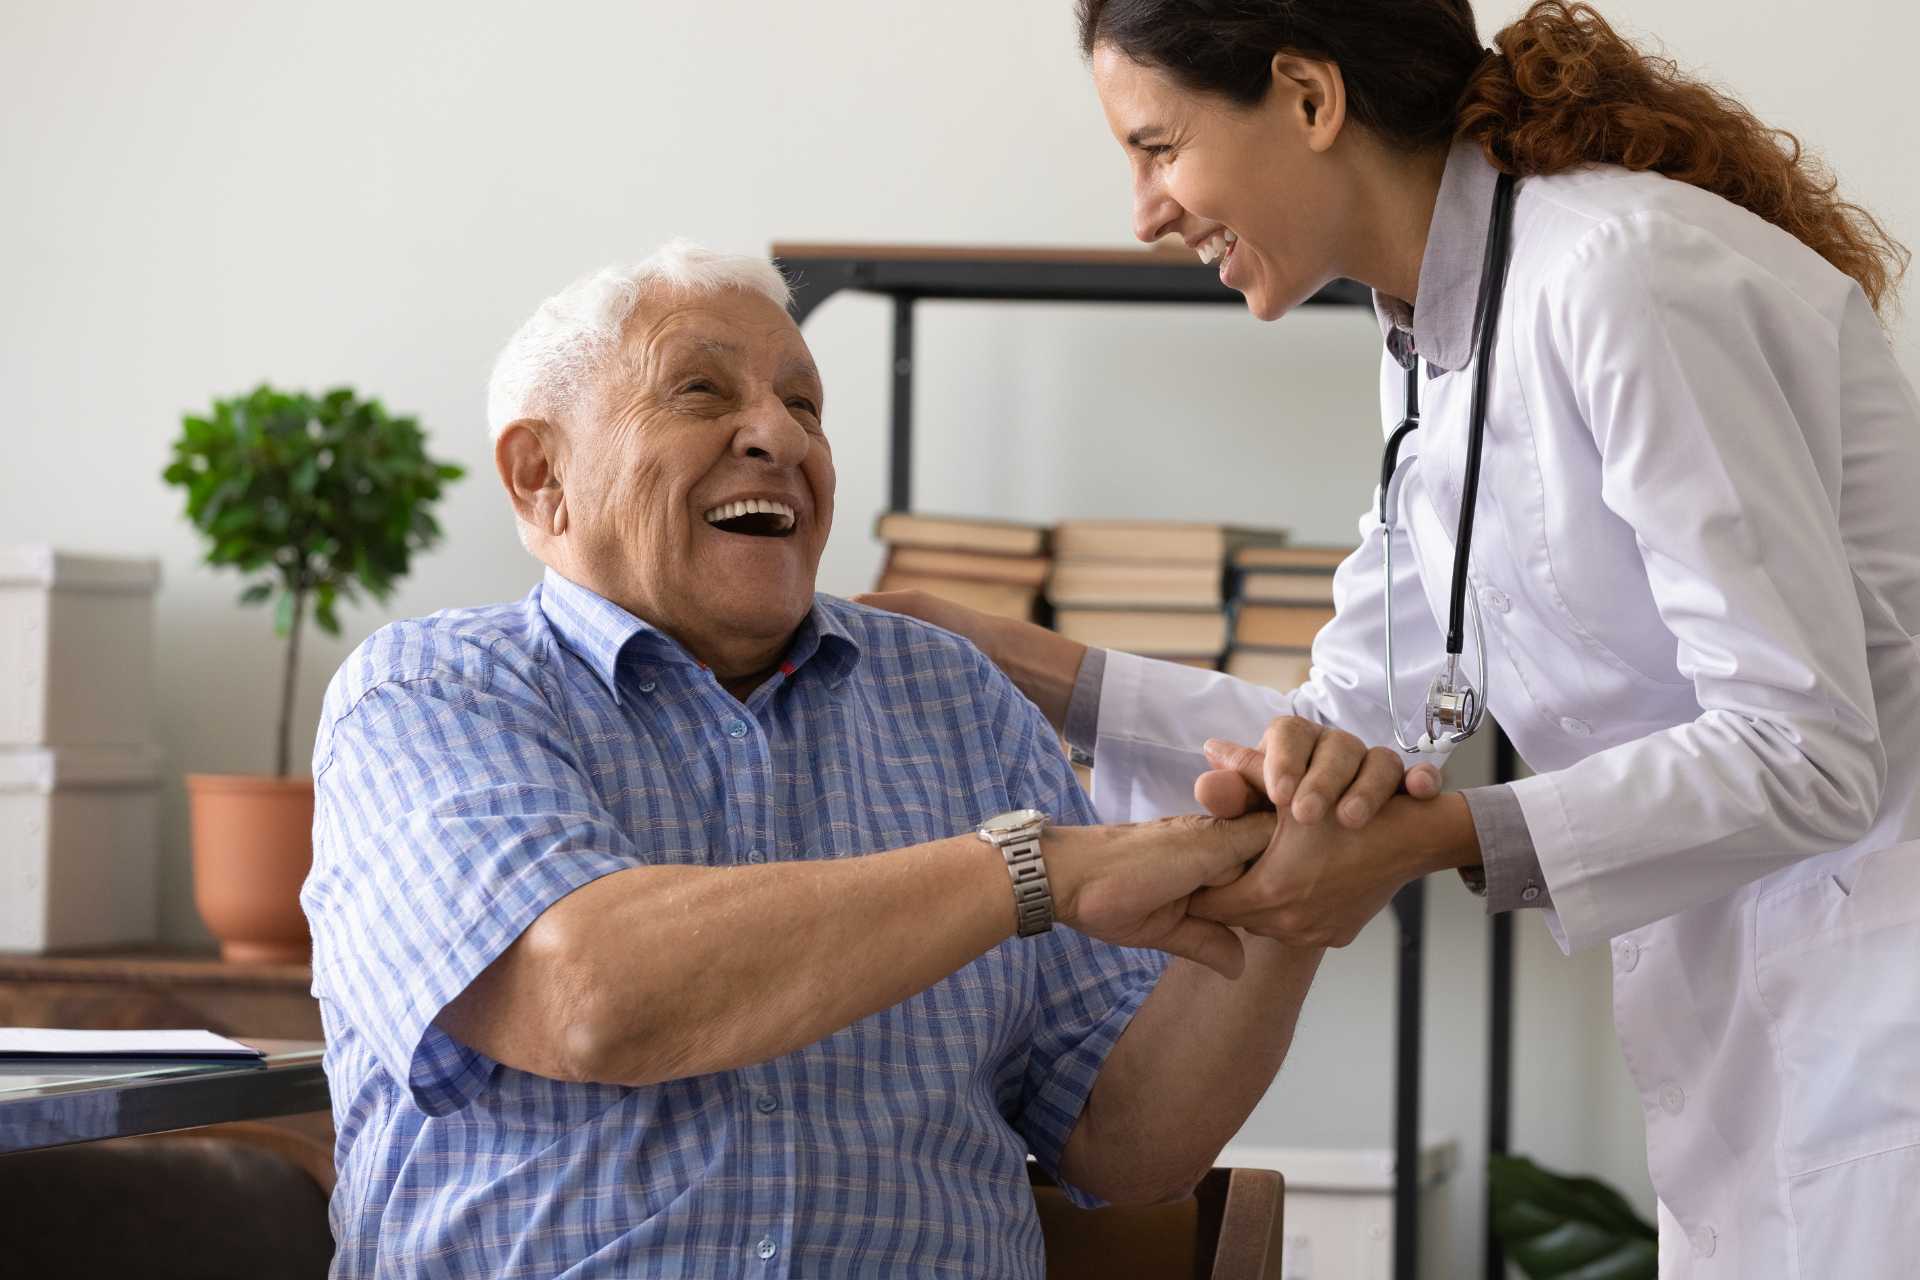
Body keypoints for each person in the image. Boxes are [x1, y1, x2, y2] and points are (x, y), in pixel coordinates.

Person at [860, 2, 1920, 1277]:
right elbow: (1348, 716)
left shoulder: (1618, 275)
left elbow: (1807, 750)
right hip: (1765, 1006)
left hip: (1875, 999)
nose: (1143, 211)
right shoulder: (1431, 339)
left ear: (1309, 98)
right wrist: (1005, 658)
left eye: (1157, 147)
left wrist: (1434, 839)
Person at [302, 240, 1330, 1279]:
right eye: (700, 390)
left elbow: (1129, 1141)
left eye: (807, 404)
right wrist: (1031, 868)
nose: (778, 435)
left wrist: (1291, 898)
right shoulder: (428, 694)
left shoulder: (956, 694)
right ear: (541, 475)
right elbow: (591, 996)